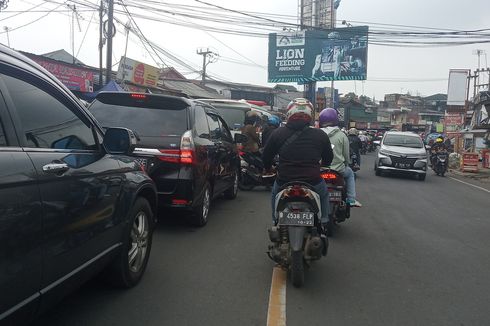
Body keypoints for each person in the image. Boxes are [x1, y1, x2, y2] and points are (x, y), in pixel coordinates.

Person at [263, 98, 333, 230]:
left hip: (285, 180)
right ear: (309, 115)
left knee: (274, 193)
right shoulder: (320, 134)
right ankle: (324, 221)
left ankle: (275, 219)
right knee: (324, 194)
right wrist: (324, 164)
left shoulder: (277, 133)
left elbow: (266, 156)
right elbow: (328, 157)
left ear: (289, 113)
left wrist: (268, 168)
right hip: (313, 180)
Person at [319, 108, 362, 207]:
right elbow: (346, 155)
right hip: (338, 169)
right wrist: (347, 163)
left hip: (320, 169)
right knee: (350, 174)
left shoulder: (317, 134)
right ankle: (351, 199)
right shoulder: (342, 135)